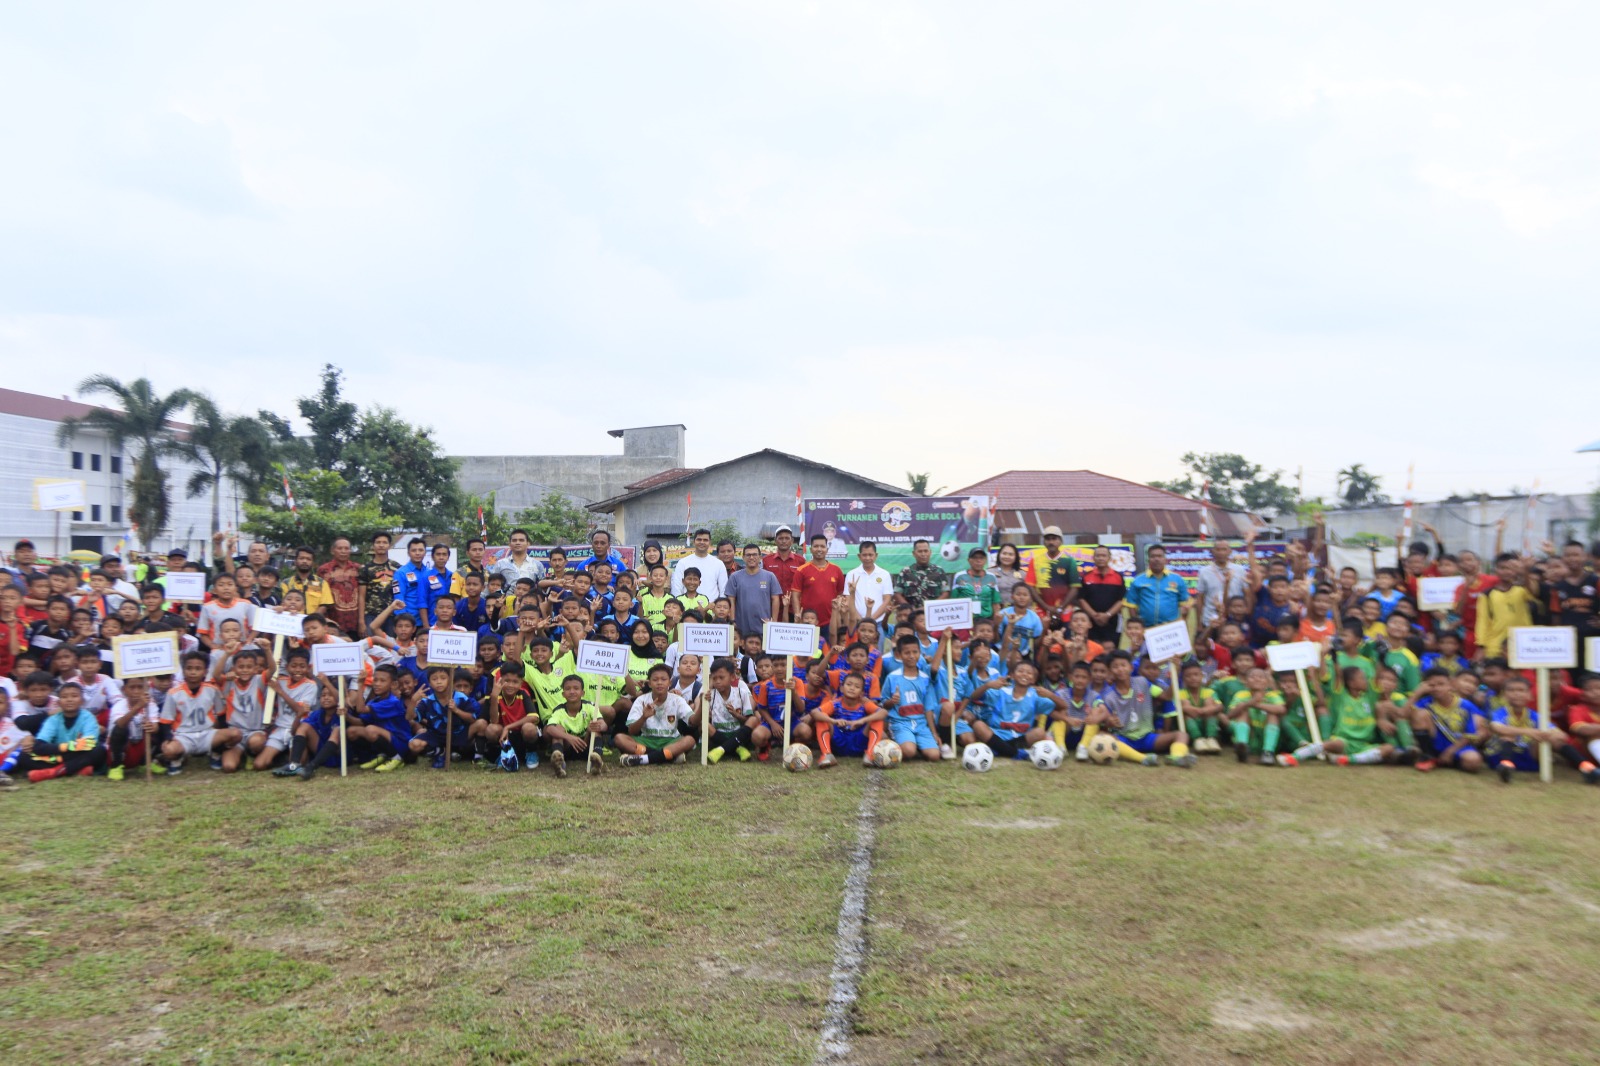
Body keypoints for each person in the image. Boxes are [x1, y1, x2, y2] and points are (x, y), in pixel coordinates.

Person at [16, 681, 103, 781]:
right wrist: (70, 746)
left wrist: (74, 747)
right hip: (59, 755)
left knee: (98, 751)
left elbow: (89, 744)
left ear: (82, 701)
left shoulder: (88, 718)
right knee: (24, 756)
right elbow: (39, 746)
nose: (69, 700)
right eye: (64, 697)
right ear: (58, 702)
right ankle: (75, 770)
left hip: (74, 754)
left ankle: (54, 772)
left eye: (74, 696)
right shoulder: (53, 719)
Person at [1407, 668, 1485, 773]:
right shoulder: (1425, 702)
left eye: (1441, 684)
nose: (1437, 688)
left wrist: (1450, 752)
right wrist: (1417, 693)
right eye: (1432, 685)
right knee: (1419, 713)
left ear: (1451, 684)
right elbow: (1403, 714)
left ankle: (1446, 761)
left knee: (1473, 761)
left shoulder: (1465, 705)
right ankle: (1428, 756)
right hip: (1434, 744)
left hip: (1456, 745)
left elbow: (1469, 735)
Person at [617, 663, 696, 766]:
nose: (659, 683)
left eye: (663, 679)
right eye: (655, 680)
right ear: (649, 683)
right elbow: (632, 731)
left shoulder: (677, 700)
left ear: (670, 682)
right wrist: (643, 717)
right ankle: (668, 756)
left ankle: (644, 758)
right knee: (620, 738)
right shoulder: (641, 700)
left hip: (670, 741)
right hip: (646, 741)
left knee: (689, 740)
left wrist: (702, 705)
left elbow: (692, 721)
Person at [812, 672, 887, 768]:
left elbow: (883, 712)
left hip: (859, 741)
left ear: (862, 693)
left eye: (857, 686)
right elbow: (814, 712)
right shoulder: (835, 703)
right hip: (839, 741)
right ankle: (826, 754)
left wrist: (861, 721)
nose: (852, 688)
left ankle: (870, 754)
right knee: (822, 718)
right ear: (841, 688)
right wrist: (833, 721)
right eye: (849, 684)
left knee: (877, 719)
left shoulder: (864, 704)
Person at [543, 674, 605, 777]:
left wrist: (597, 726)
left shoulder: (590, 706)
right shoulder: (559, 710)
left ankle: (597, 761)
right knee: (557, 729)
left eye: (576, 688)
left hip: (586, 746)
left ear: (582, 693)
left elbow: (604, 725)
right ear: (563, 694)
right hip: (567, 748)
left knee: (595, 726)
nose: (572, 691)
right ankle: (560, 765)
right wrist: (569, 737)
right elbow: (549, 729)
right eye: (568, 689)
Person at [1126, 545, 1190, 628]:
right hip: (1146, 627)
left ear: (1165, 559)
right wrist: (1136, 626)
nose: (1156, 559)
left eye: (1160, 556)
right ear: (1148, 559)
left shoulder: (1177, 579)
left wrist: (1182, 623)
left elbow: (1184, 604)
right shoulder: (1138, 580)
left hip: (1170, 627)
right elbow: (1131, 605)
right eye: (1153, 556)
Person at [727, 544, 782, 639]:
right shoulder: (735, 577)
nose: (751, 557)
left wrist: (773, 622)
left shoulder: (770, 576)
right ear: (743, 557)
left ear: (760, 557)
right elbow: (731, 599)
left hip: (764, 626)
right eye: (748, 555)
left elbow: (775, 599)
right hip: (741, 626)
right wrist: (732, 621)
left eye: (754, 554)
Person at [796, 534, 847, 632]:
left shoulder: (836, 570)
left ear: (827, 549)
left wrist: (839, 616)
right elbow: (795, 595)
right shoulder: (801, 570)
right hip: (808, 622)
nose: (819, 549)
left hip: (830, 621)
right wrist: (798, 615)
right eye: (816, 546)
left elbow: (840, 594)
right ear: (811, 549)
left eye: (822, 546)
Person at [1027, 526, 1080, 615]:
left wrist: (1061, 608)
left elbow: (1075, 587)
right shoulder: (1035, 561)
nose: (1051, 542)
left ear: (1061, 541)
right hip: (1041, 611)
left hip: (1065, 610)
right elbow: (1030, 587)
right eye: (1048, 539)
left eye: (1054, 539)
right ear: (1044, 542)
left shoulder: (1069, 561)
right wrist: (1046, 607)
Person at [319, 537, 364, 636]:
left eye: (346, 548)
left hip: (355, 621)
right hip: (333, 621)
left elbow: (363, 594)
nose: (343, 551)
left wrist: (362, 621)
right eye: (340, 548)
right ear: (332, 550)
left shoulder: (358, 569)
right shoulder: (323, 570)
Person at [763, 526, 807, 620]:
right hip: (772, 608)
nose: (784, 541)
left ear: (792, 541)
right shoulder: (766, 561)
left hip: (793, 609)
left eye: (787, 538)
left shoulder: (800, 561)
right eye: (780, 538)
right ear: (775, 540)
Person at [893, 539, 949, 613]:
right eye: (920, 551)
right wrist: (910, 609)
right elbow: (897, 594)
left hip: (933, 613)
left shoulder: (939, 571)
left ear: (930, 552)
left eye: (926, 551)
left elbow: (945, 593)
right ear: (914, 553)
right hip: (912, 614)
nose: (923, 554)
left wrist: (930, 607)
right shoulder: (905, 572)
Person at [949, 548, 1000, 626]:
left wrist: (996, 622)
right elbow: (953, 601)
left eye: (981, 558)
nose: (978, 561)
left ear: (985, 560)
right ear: (969, 560)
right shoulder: (959, 576)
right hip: (964, 620)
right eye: (975, 558)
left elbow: (995, 602)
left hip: (986, 620)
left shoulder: (991, 577)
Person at [672, 529, 727, 600]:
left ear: (710, 542)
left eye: (705, 540)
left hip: (712, 606)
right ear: (694, 542)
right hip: (687, 606)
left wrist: (718, 605)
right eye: (699, 539)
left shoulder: (719, 564)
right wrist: (679, 605)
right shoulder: (683, 562)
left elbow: (723, 590)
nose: (702, 542)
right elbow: (676, 588)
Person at [280, 547, 333, 616]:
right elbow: (284, 604)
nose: (305, 561)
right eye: (301, 558)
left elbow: (324, 605)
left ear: (313, 563)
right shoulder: (286, 583)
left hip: (314, 620)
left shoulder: (321, 583)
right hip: (292, 619)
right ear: (295, 561)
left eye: (308, 559)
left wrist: (311, 619)